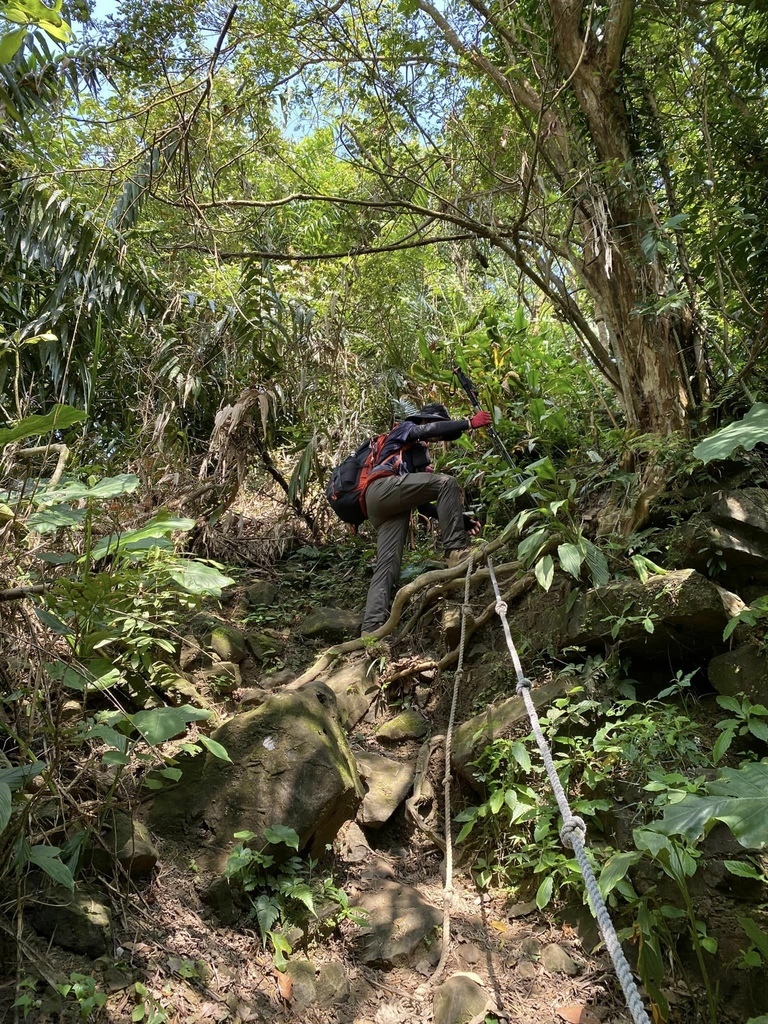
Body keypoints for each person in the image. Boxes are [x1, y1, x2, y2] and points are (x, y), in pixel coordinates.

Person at [360, 402, 492, 636]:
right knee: (446, 482)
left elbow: (423, 505)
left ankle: (371, 632)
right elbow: (424, 432)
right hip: (381, 489)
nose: (436, 437)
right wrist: (469, 423)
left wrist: (461, 520)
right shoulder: (405, 428)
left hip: (387, 506)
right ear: (425, 420)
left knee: (388, 567)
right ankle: (454, 551)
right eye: (436, 428)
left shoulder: (409, 454)